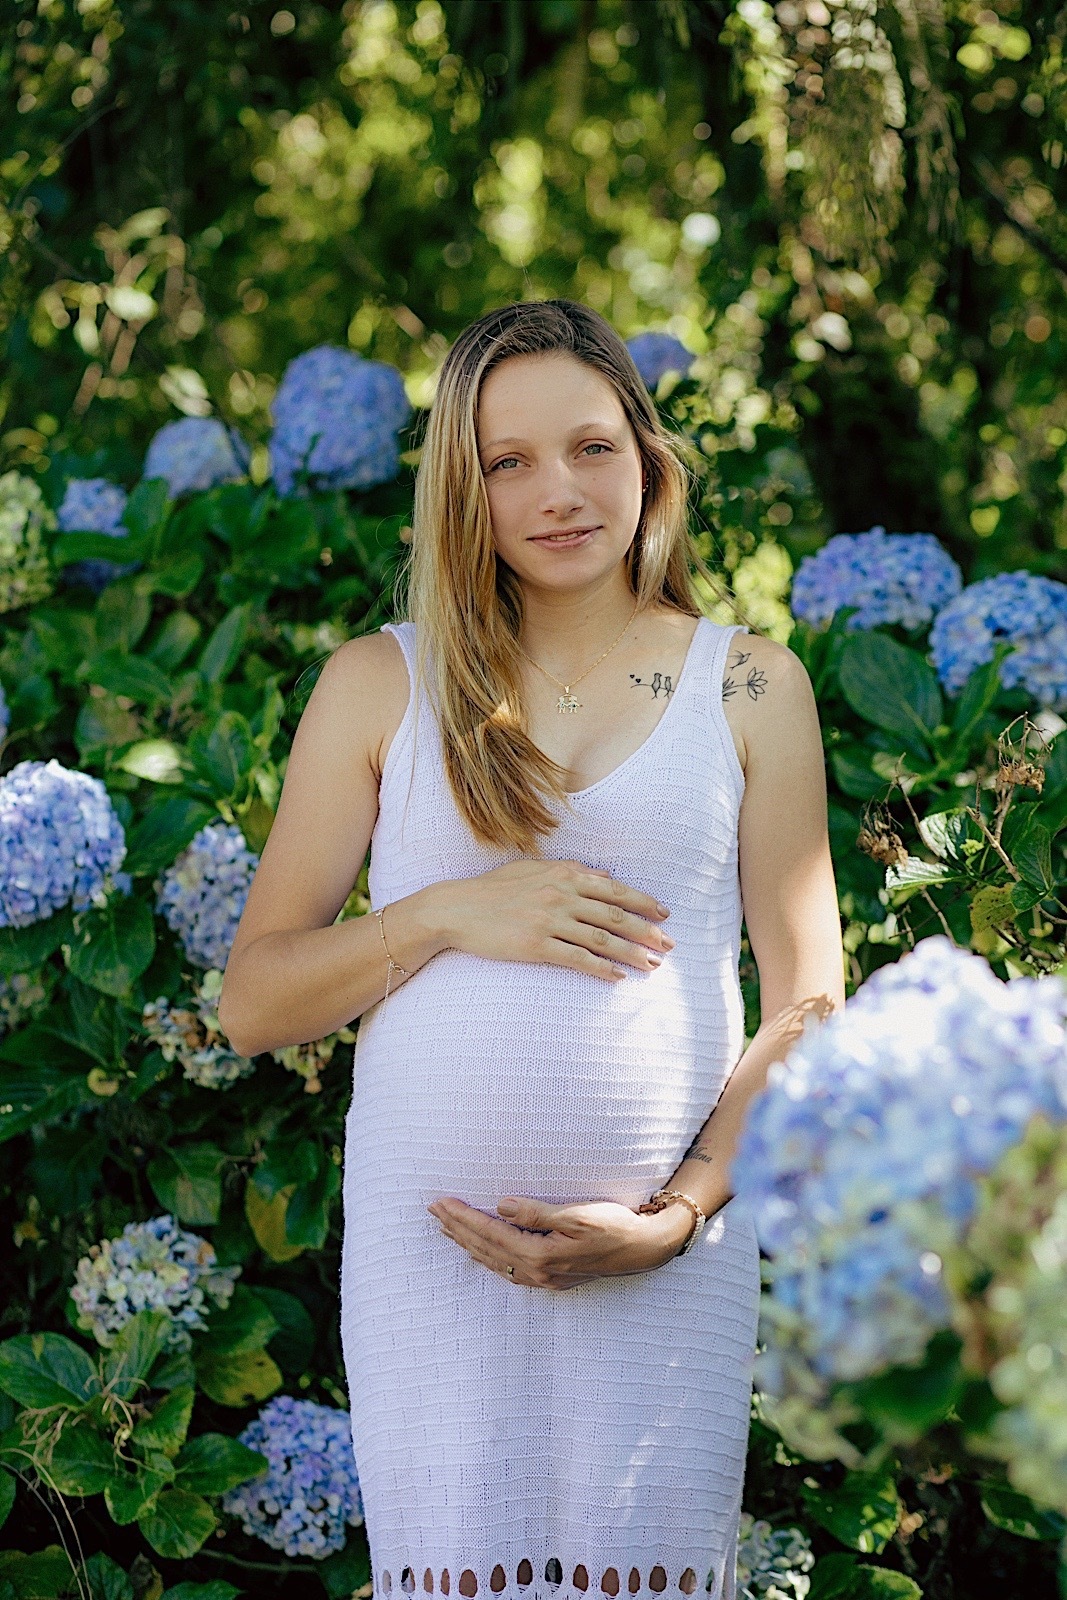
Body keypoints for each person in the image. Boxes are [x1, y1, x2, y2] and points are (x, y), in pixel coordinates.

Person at [218, 299, 844, 1600]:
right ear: (464, 486)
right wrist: (448, 914)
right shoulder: (382, 684)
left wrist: (672, 1223)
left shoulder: (749, 687)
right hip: (431, 1266)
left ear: (647, 458)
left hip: (665, 1270)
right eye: (509, 461)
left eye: (591, 447)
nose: (557, 491)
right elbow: (254, 1002)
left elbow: (810, 1008)